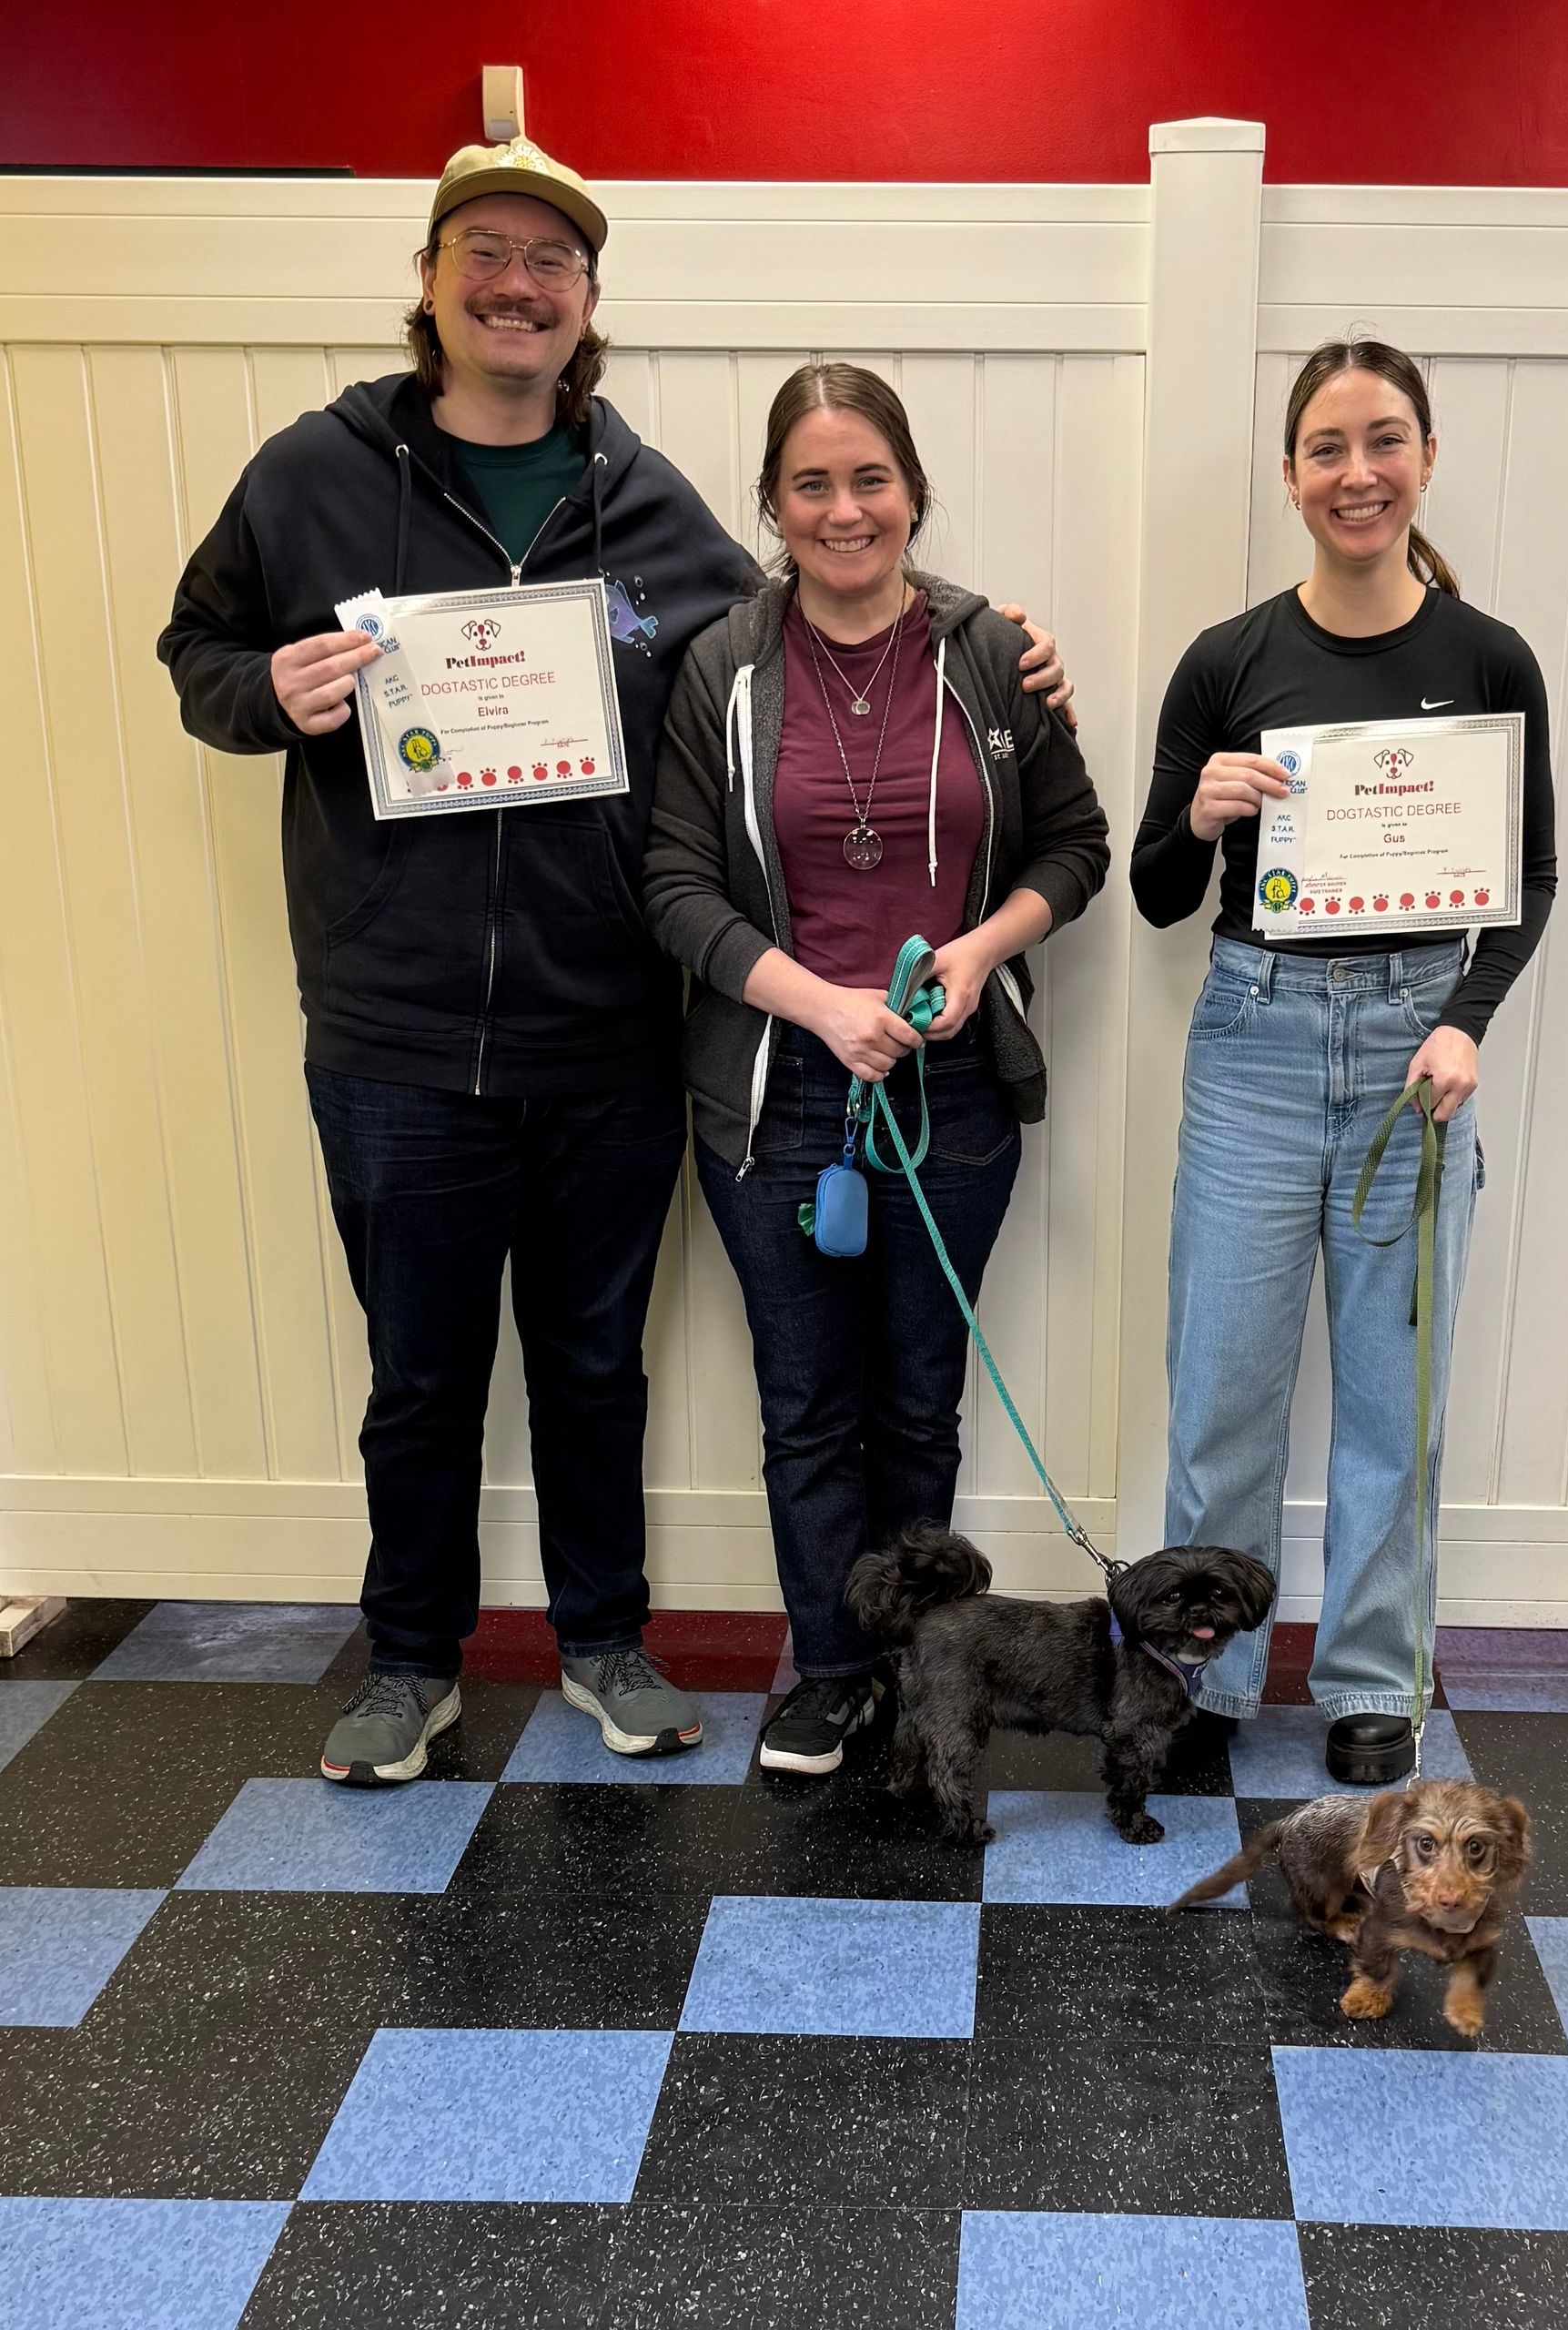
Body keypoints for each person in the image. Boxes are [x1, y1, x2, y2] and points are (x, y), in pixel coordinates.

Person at [157, 143, 1072, 1787]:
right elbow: (198, 649)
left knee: (594, 1365)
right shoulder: (309, 473)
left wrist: (996, 638)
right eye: (486, 253)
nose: (518, 285)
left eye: (553, 263)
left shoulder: (655, 511)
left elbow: (814, 622)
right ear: (432, 278)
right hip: (393, 1028)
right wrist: (262, 693)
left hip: (610, 1039)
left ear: (588, 303)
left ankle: (602, 1644)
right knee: (418, 1375)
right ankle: (412, 1663)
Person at [643, 363, 1108, 1776]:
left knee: (918, 1401)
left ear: (912, 492)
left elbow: (1073, 847)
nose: (844, 512)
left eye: (871, 480)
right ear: (773, 507)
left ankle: (929, 1671)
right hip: (779, 1103)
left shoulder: (991, 656)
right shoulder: (721, 665)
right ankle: (834, 1668)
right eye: (810, 485)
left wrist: (979, 951)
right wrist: (816, 1006)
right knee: (808, 1411)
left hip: (956, 1102)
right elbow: (672, 882)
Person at [1130, 338, 1557, 1787]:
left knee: (1395, 1391)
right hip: (1253, 1038)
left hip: (1413, 1048)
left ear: (1424, 458)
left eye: (1383, 441)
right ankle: (1208, 1670)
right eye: (1326, 446)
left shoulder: (1488, 659)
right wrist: (1197, 812)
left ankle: (1376, 1677)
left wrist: (1465, 1019)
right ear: (1292, 473)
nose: (1356, 472)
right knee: (1223, 1390)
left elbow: (1529, 877)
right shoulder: (1228, 660)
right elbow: (1152, 896)